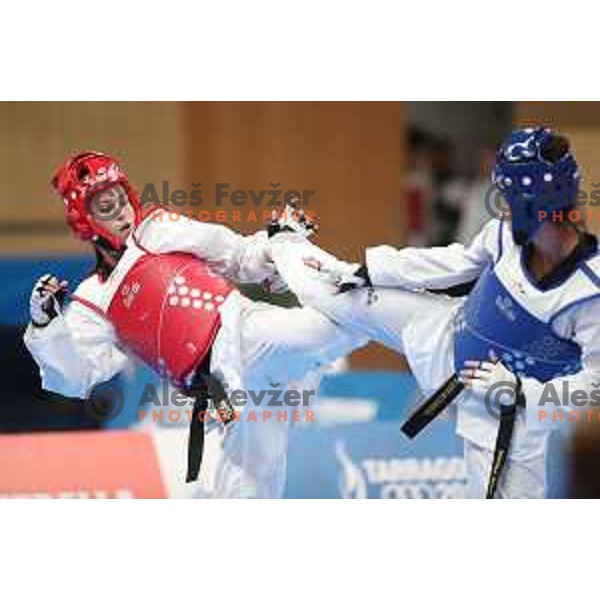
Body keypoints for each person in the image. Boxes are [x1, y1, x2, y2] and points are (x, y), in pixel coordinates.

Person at [267, 127, 600, 498]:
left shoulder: (590, 293)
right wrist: (371, 270)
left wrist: (522, 392)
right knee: (339, 292)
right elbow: (455, 263)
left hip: (504, 413)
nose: (502, 207)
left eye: (507, 197)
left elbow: (594, 386)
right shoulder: (503, 234)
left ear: (533, 200)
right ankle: (280, 244)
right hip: (443, 333)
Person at [24, 152, 363, 499]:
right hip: (220, 387)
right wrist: (46, 324)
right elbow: (73, 377)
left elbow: (238, 256)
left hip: (246, 332)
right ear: (86, 222)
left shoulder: (160, 230)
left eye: (123, 200)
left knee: (336, 323)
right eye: (106, 207)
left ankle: (390, 289)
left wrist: (276, 242)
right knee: (255, 475)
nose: (122, 213)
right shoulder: (94, 299)